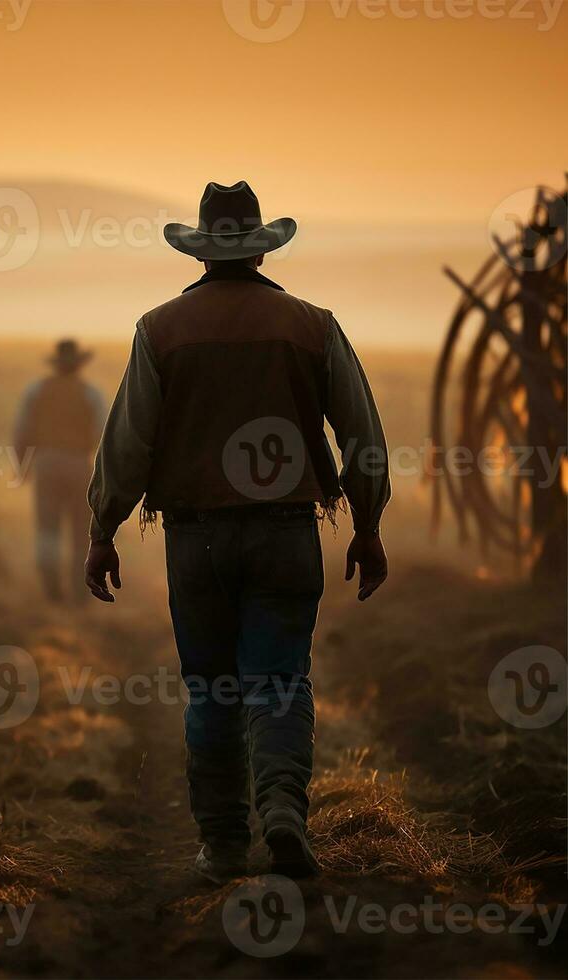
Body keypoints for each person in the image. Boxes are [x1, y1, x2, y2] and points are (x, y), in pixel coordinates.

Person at [83, 181, 390, 883]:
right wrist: (367, 524)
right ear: (259, 249)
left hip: (197, 540)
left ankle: (222, 843)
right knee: (280, 679)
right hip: (287, 531)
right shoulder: (312, 324)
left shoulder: (159, 329)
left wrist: (103, 527)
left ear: (200, 251)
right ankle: (282, 808)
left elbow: (128, 445)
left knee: (212, 688)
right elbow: (362, 437)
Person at [14, 339, 106, 603]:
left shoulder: (36, 391)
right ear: (79, 365)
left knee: (48, 527)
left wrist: (22, 467)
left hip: (46, 463)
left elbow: (22, 430)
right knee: (82, 530)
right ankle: (81, 592)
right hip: (80, 464)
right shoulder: (91, 393)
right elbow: (103, 435)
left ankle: (52, 590)